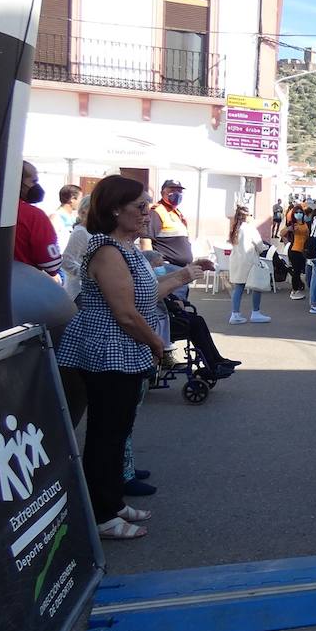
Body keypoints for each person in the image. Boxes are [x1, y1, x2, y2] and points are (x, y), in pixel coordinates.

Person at [55, 175, 213, 540]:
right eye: (140, 207)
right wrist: (159, 346)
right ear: (114, 210)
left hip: (121, 351)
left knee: (117, 431)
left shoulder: (123, 248)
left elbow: (145, 294)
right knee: (106, 435)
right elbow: (125, 313)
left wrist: (185, 274)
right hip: (107, 353)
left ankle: (111, 503)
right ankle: (102, 513)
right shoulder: (107, 251)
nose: (148, 212)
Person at [145, 180, 194, 299]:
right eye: (172, 191)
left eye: (179, 191)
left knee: (180, 303)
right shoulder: (157, 211)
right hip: (168, 269)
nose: (177, 194)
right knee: (174, 304)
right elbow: (145, 240)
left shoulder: (176, 212)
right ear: (163, 193)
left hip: (179, 268)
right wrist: (153, 268)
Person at [15, 161, 63, 279]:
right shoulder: (34, 215)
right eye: (34, 181)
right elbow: (52, 266)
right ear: (18, 181)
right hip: (24, 284)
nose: (37, 186)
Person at [227, 205, 271, 324]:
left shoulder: (235, 227)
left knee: (238, 288)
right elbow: (260, 245)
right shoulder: (250, 229)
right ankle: (255, 312)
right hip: (250, 261)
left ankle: (235, 314)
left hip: (237, 261)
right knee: (257, 286)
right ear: (247, 216)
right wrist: (264, 248)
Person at [59, 196, 93, 302]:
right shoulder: (81, 232)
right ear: (84, 211)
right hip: (79, 291)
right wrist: (89, 275)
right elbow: (66, 261)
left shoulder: (94, 232)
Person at [281, 204, 309, 299]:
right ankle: (294, 291)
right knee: (296, 271)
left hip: (302, 251)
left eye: (300, 212)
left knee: (299, 271)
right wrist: (289, 230)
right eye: (296, 212)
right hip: (294, 250)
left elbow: (307, 235)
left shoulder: (305, 223)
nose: (299, 214)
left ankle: (297, 288)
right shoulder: (293, 225)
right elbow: (282, 233)